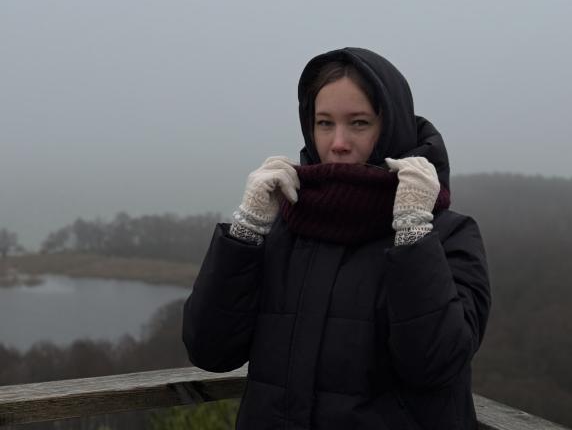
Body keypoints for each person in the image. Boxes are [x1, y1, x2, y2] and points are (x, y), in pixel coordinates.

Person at [183, 47, 491, 429]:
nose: (338, 142)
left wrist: (412, 231)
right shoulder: (285, 227)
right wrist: (247, 230)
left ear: (391, 126)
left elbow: (436, 364)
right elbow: (210, 350)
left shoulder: (447, 236)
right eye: (324, 123)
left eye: (359, 123)